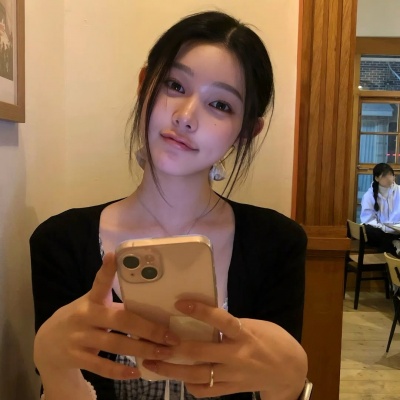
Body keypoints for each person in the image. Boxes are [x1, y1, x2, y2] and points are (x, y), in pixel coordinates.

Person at [30, 10, 309, 400]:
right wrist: (54, 367)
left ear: (247, 130)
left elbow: (274, 385)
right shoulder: (60, 242)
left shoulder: (277, 244)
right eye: (175, 85)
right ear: (144, 84)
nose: (186, 117)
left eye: (220, 105)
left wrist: (291, 385)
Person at [360, 163, 400, 255]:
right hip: (380, 230)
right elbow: (368, 220)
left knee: (385, 240)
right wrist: (384, 228)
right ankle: (395, 244)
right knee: (368, 230)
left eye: (391, 175)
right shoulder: (369, 195)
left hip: (397, 230)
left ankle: (393, 245)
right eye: (384, 176)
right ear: (377, 178)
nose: (389, 178)